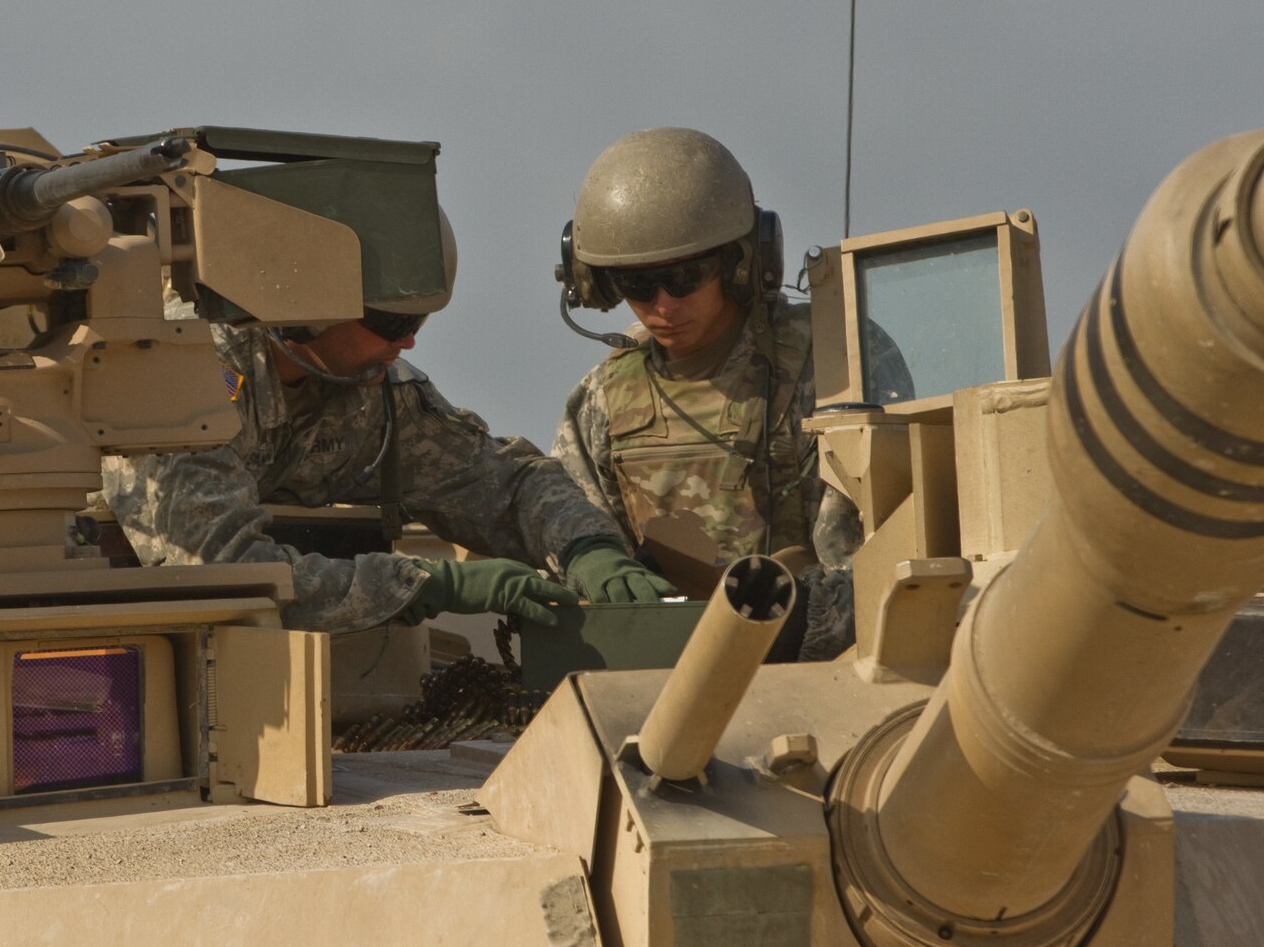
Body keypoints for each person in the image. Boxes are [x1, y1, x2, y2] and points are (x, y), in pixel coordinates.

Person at [104, 211, 669, 635]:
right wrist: (424, 582)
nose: (408, 341)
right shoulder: (178, 370)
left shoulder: (370, 391)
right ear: (305, 305)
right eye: (391, 319)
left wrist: (587, 549)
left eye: (418, 318)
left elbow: (503, 483)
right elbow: (222, 572)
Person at [552, 128, 883, 660]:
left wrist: (798, 624)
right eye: (638, 285)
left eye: (686, 276)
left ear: (739, 262)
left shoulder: (832, 364)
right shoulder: (602, 400)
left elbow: (886, 552)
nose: (662, 305)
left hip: (823, 663)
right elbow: (587, 546)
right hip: (668, 667)